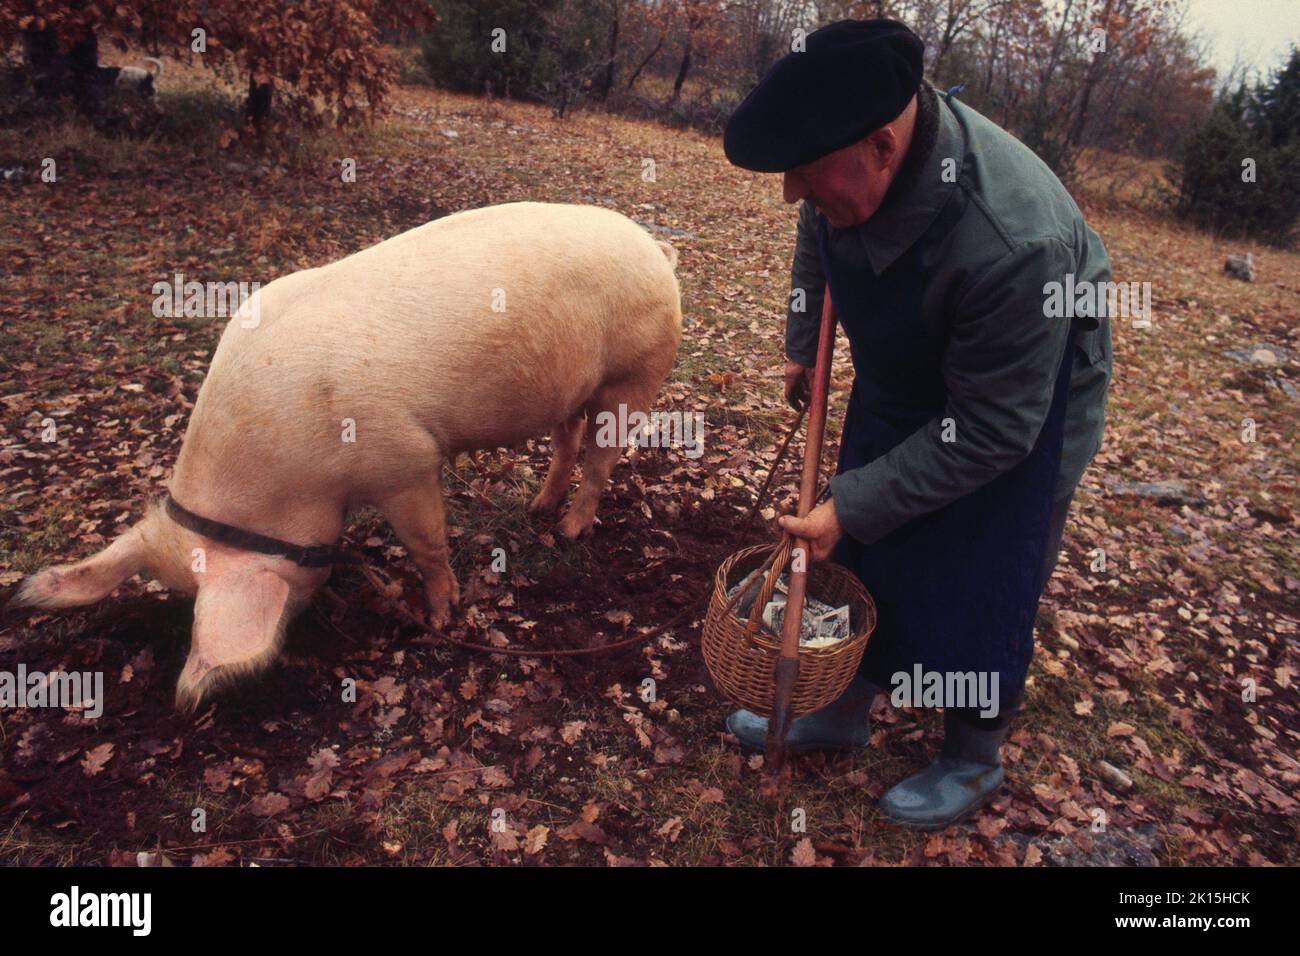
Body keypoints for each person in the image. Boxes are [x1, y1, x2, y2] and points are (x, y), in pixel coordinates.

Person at [721, 18, 1112, 829]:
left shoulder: (1014, 239)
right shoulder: (842, 161)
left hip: (1023, 396)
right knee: (869, 524)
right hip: (914, 356)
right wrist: (803, 340)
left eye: (808, 174)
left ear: (883, 149)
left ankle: (974, 752)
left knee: (986, 553)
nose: (795, 191)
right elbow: (814, 231)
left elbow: (994, 428)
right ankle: (844, 708)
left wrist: (851, 504)